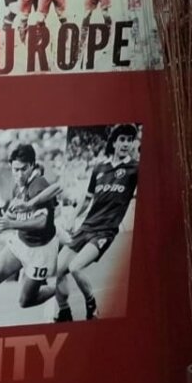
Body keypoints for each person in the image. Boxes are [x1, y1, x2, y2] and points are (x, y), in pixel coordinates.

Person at [48, 124, 139, 321]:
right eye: (122, 139)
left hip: (104, 231)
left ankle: (91, 305)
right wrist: (73, 217)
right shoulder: (99, 168)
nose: (126, 144)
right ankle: (64, 311)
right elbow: (87, 199)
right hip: (86, 227)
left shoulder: (135, 169)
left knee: (75, 267)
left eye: (130, 140)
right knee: (56, 270)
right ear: (114, 142)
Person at [0, 143, 58, 321]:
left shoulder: (39, 185)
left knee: (25, 301)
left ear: (32, 166)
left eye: (23, 169)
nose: (19, 174)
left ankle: (57, 287)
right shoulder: (17, 186)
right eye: (16, 169)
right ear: (11, 167)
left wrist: (10, 224)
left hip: (40, 250)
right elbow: (14, 210)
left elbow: (42, 222)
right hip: (21, 243)